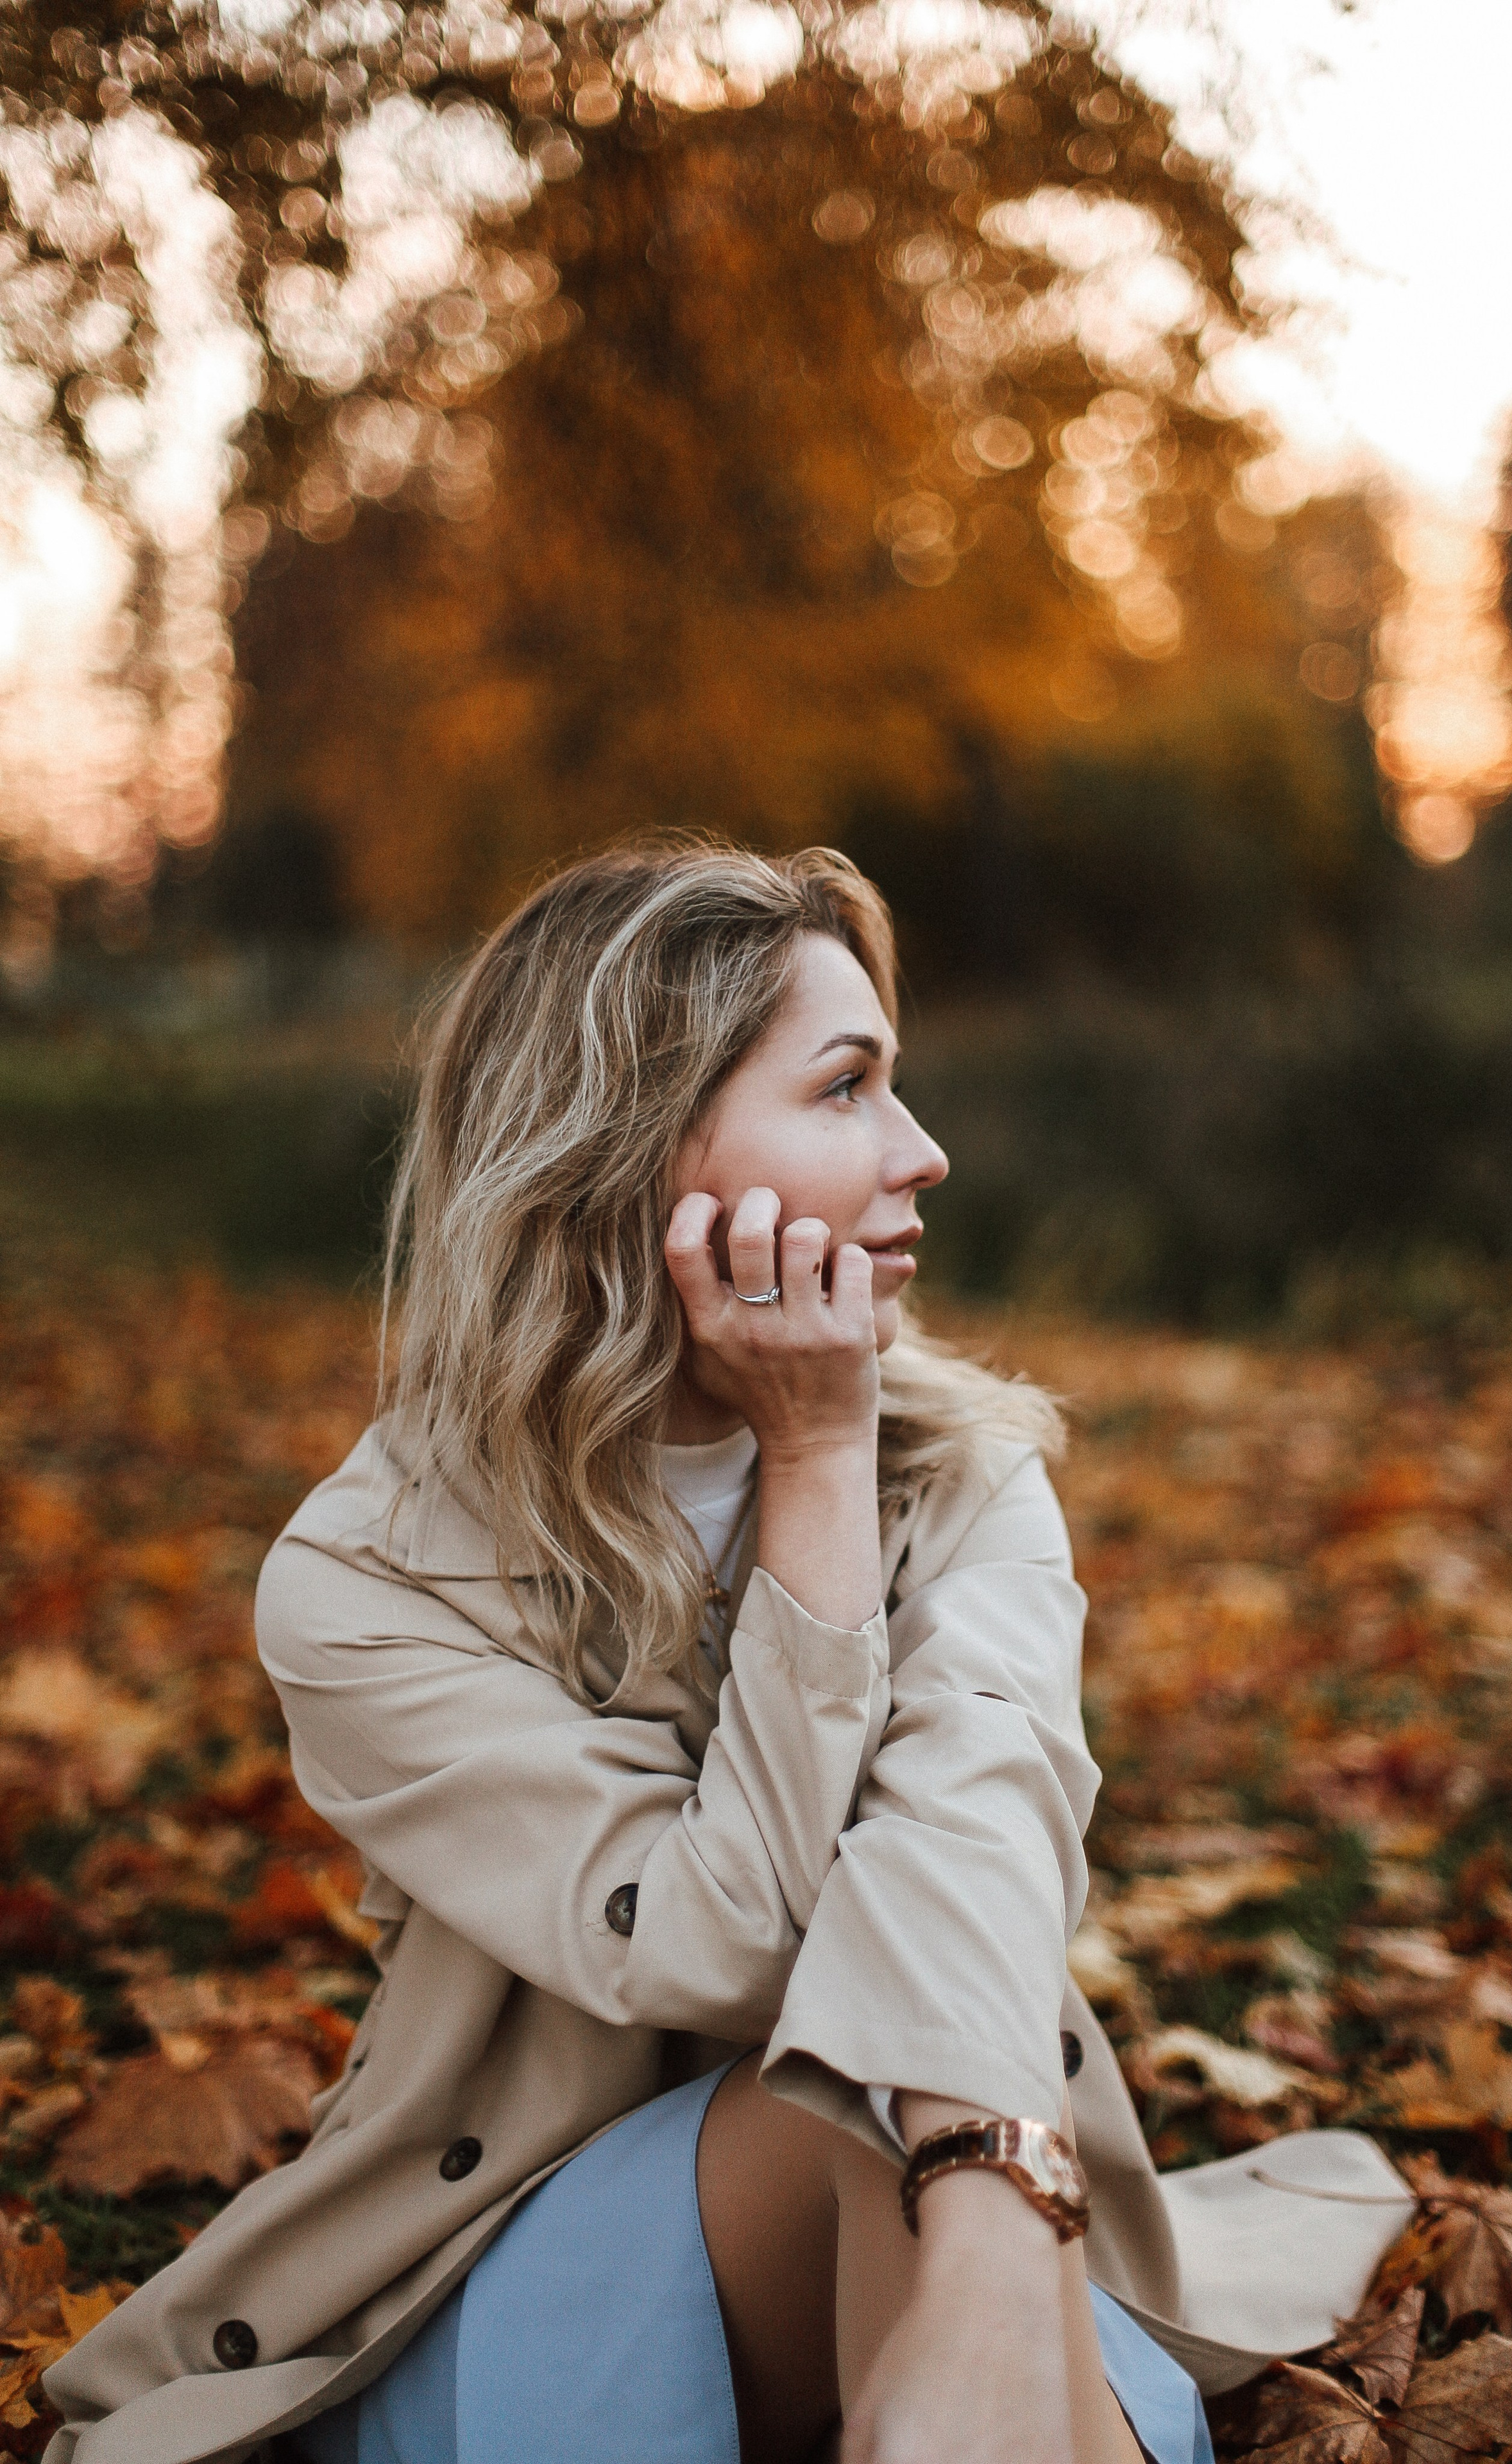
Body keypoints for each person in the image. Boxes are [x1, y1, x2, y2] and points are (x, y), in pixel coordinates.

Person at [44, 843, 1413, 2464]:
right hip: (540, 2257)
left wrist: (983, 2234)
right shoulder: (367, 1583)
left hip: (935, 2178)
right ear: (627, 1150)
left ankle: (974, 2313)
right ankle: (979, 2304)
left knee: (900, 2103)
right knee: (867, 2100)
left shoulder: (964, 1473)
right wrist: (814, 1465)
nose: (921, 1151)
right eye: (844, 1089)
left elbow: (983, 1831)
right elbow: (726, 1952)